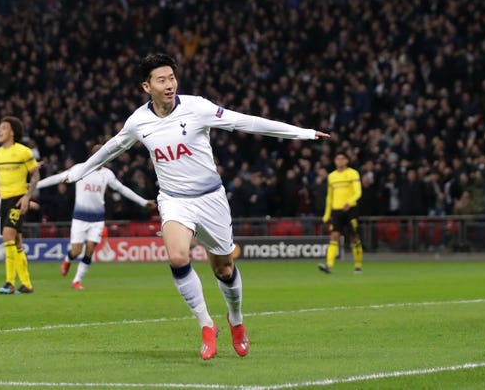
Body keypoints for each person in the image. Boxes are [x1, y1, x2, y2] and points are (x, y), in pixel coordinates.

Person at [64, 53, 329, 360]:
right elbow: (112, 147)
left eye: (172, 78)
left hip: (211, 199)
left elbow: (245, 122)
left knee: (224, 268)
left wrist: (302, 132)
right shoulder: (138, 122)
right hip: (174, 200)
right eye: (161, 80)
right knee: (177, 256)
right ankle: (205, 324)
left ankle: (236, 319)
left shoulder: (197, 107)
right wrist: (79, 171)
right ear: (146, 87)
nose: (169, 85)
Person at [36, 145, 156, 290]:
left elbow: (122, 189)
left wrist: (143, 202)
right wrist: (35, 186)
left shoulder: (107, 174)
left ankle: (76, 281)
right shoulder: (80, 169)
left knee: (90, 248)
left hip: (97, 219)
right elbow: (58, 178)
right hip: (80, 218)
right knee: (76, 251)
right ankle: (68, 259)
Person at [0, 116, 40, 294]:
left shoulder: (23, 152)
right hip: (4, 201)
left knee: (7, 237)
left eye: (3, 128)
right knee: (17, 242)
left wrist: (27, 197)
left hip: (18, 199)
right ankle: (26, 284)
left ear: (12, 132)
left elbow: (35, 175)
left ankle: (9, 283)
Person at [317, 152, 364, 274]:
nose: (339, 161)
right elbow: (329, 197)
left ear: (346, 161)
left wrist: (350, 202)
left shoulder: (353, 173)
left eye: (342, 158)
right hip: (337, 211)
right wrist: (327, 214)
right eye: (337, 159)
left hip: (350, 210)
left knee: (354, 238)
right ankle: (329, 265)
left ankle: (358, 265)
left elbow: (358, 192)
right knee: (334, 236)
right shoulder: (331, 176)